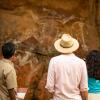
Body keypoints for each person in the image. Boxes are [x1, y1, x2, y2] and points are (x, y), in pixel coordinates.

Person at [45, 34, 88, 100]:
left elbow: (49, 87)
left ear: (60, 47)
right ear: (73, 47)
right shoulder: (81, 62)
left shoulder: (54, 61)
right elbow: (84, 88)